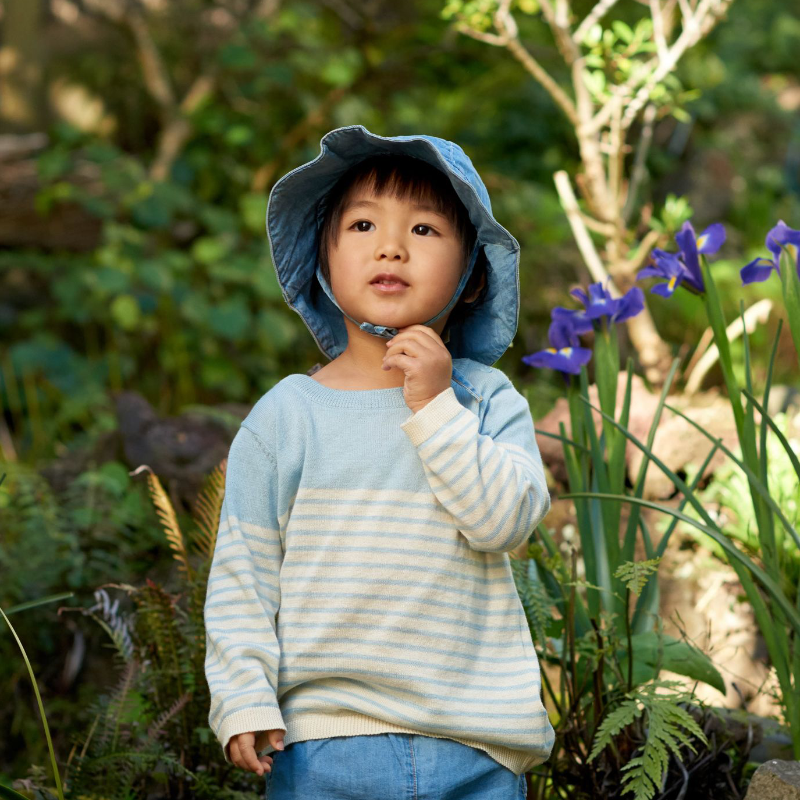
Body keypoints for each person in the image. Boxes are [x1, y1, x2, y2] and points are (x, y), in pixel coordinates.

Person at [203, 124, 554, 799]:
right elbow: (245, 575)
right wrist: (243, 695)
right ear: (322, 261)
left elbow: (505, 522)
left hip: (474, 746)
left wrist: (435, 408)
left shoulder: (485, 403)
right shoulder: (287, 415)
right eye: (363, 224)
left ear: (473, 277)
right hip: (325, 746)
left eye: (424, 231)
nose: (391, 245)